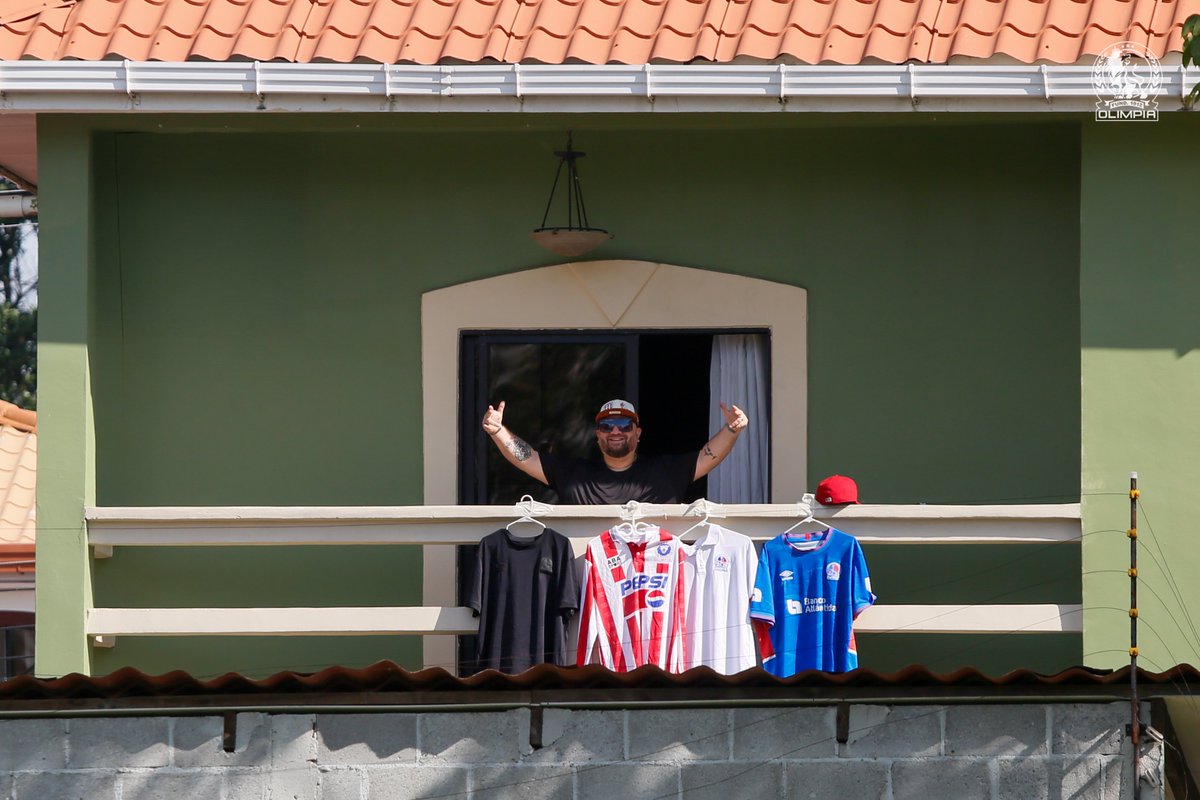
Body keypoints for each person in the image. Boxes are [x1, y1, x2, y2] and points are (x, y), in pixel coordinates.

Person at [481, 398, 749, 504]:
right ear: (598, 436)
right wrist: (497, 431)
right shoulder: (574, 474)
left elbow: (707, 456)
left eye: (624, 424)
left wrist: (733, 429)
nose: (616, 431)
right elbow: (528, 459)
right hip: (592, 594)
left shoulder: (665, 472)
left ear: (638, 433)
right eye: (607, 426)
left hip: (652, 595)